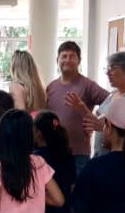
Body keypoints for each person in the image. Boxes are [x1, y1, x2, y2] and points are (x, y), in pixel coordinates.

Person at [45, 41, 109, 175]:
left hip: (78, 154)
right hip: (53, 151)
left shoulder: (87, 85)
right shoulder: (51, 87)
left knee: (79, 188)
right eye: (64, 56)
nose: (67, 60)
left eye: (72, 56)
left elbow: (111, 101)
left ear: (79, 60)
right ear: (57, 60)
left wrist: (96, 121)